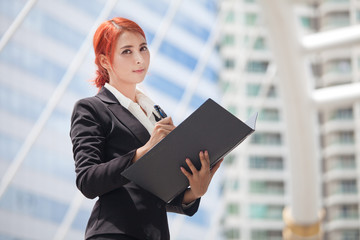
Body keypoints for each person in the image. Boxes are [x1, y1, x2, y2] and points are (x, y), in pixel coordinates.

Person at [70, 17, 222, 240]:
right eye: (127, 51)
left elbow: (155, 193)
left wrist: (194, 192)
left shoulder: (154, 114)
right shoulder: (91, 109)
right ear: (104, 61)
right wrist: (145, 151)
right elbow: (87, 181)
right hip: (114, 234)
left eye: (143, 48)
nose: (140, 59)